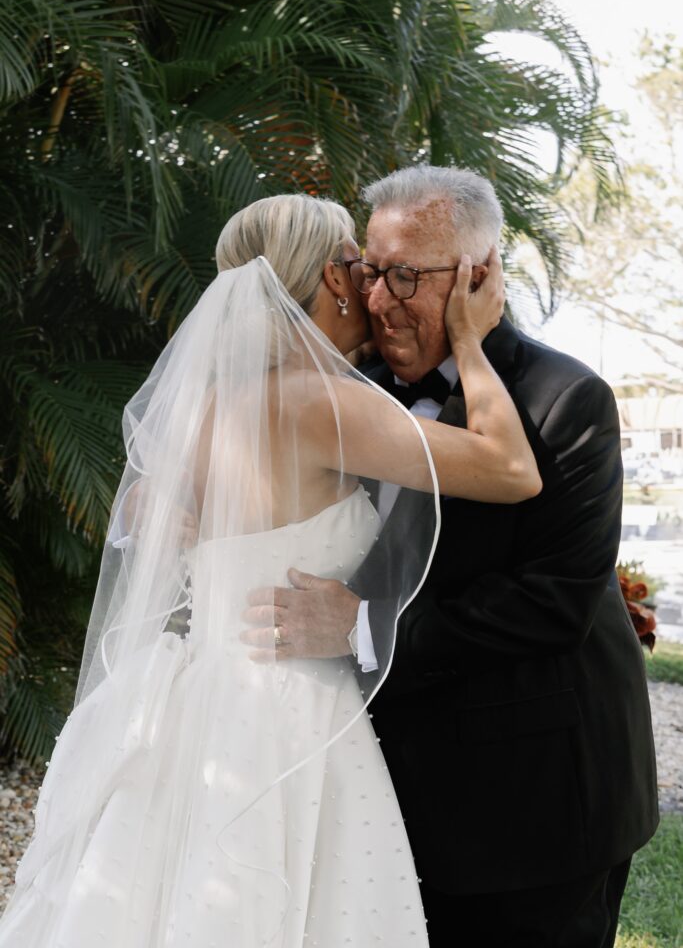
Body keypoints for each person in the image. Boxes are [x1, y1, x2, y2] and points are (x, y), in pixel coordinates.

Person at [0, 193, 541, 947]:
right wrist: (471, 342)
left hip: (189, 696)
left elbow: (146, 519)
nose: (375, 287)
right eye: (360, 265)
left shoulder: (202, 406)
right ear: (334, 279)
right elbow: (512, 470)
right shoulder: (323, 405)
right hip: (287, 714)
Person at [244, 167, 660, 948]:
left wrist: (360, 626)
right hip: (377, 802)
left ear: (478, 276)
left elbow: (552, 601)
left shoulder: (563, 400)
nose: (376, 298)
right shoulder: (343, 389)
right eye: (370, 270)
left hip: (533, 808)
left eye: (406, 275)